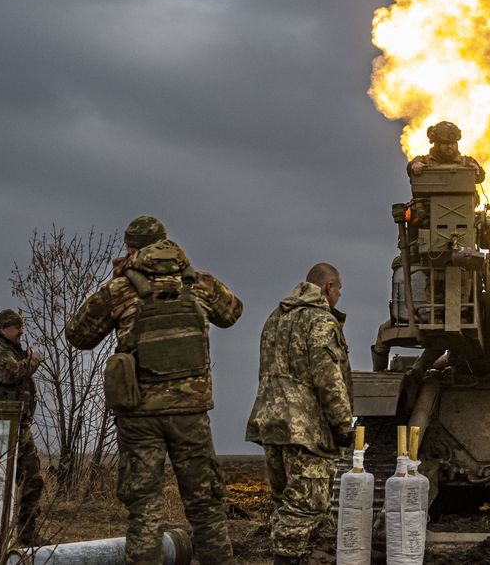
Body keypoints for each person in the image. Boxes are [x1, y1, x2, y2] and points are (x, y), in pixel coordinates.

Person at [66, 216, 242, 564]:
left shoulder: (121, 290)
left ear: (130, 249)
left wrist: (117, 280)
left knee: (145, 509)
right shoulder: (198, 283)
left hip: (139, 416)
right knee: (206, 507)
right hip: (190, 415)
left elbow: (78, 334)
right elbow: (232, 312)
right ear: (166, 242)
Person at [246, 263, 354, 565]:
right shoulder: (321, 322)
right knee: (307, 504)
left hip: (271, 424)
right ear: (329, 288)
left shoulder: (275, 318)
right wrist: (343, 425)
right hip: (305, 429)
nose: (338, 298)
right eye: (339, 292)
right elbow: (329, 379)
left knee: (287, 502)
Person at [0, 308, 45, 546]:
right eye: (17, 328)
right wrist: (33, 360)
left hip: (19, 425)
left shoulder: (12, 350)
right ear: (4, 327)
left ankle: (26, 534)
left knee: (33, 478)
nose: (21, 332)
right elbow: (12, 373)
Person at [407, 120, 486, 182]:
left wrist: (477, 171)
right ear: (437, 144)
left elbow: (481, 177)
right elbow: (411, 166)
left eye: (452, 143)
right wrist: (415, 165)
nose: (450, 146)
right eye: (445, 143)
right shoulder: (424, 161)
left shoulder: (467, 162)